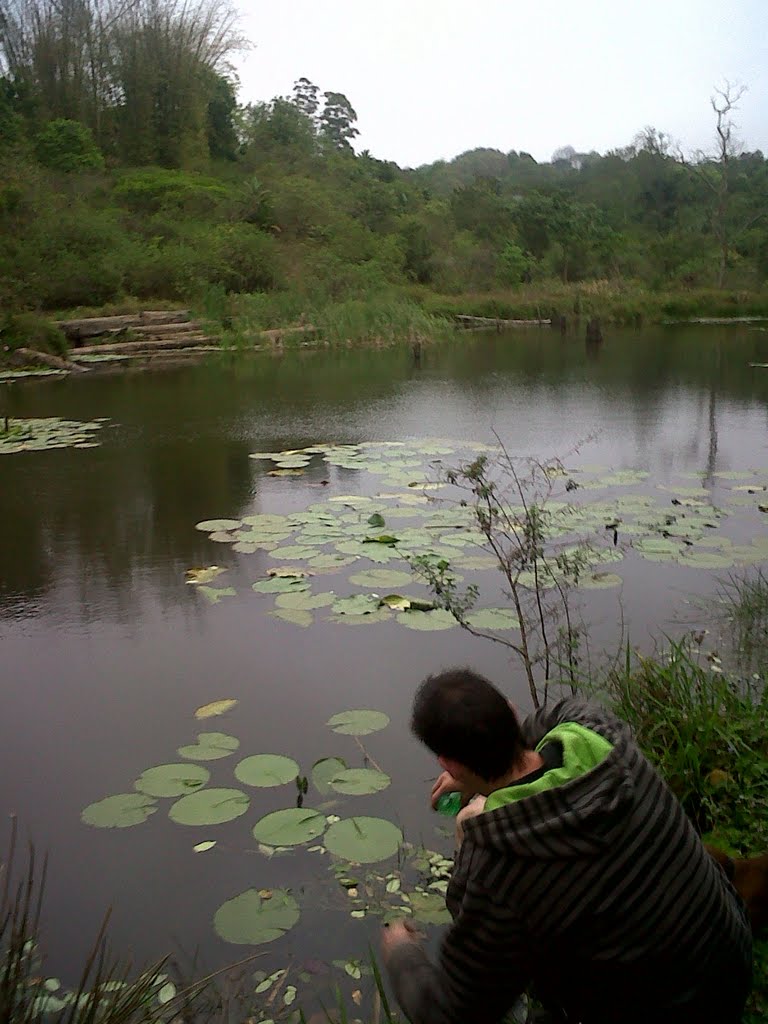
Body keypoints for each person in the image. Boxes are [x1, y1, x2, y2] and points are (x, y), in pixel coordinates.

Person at [381, 667, 752, 1024]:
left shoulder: (499, 865)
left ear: (449, 763)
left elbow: (455, 1012)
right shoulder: (598, 731)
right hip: (730, 961)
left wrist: (402, 953)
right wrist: (479, 765)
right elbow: (541, 721)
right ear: (510, 711)